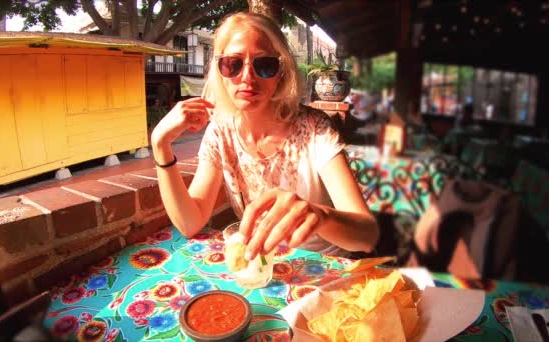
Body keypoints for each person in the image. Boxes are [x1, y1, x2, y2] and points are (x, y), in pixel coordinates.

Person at [150, 12, 379, 259]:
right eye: (233, 63)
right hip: (262, 265)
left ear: (282, 72)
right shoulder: (220, 132)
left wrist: (318, 215)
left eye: (265, 65)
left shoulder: (314, 128)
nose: (247, 77)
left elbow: (367, 236)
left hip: (325, 268)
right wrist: (161, 146)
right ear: (219, 70)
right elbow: (189, 223)